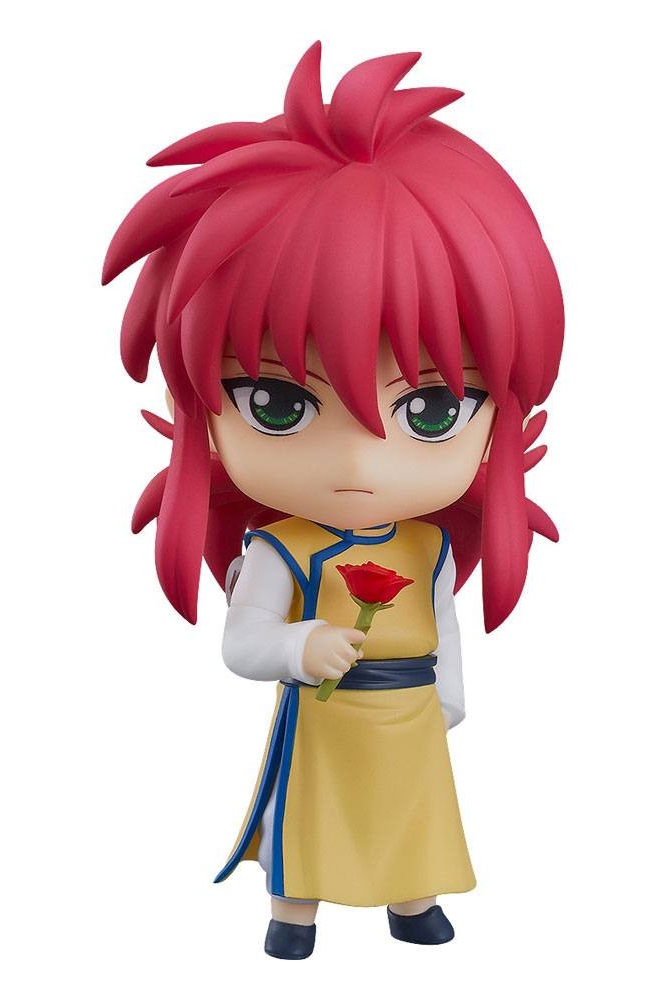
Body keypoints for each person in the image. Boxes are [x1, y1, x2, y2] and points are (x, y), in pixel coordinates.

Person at [103, 41, 564, 959]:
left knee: (411, 816)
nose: (359, 458)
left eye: (431, 410)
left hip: (409, 715)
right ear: (204, 415)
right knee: (310, 818)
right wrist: (295, 646)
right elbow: (242, 640)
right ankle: (294, 913)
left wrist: (450, 696)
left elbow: (445, 624)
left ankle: (413, 902)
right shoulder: (280, 550)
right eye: (278, 404)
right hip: (326, 711)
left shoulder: (428, 548)